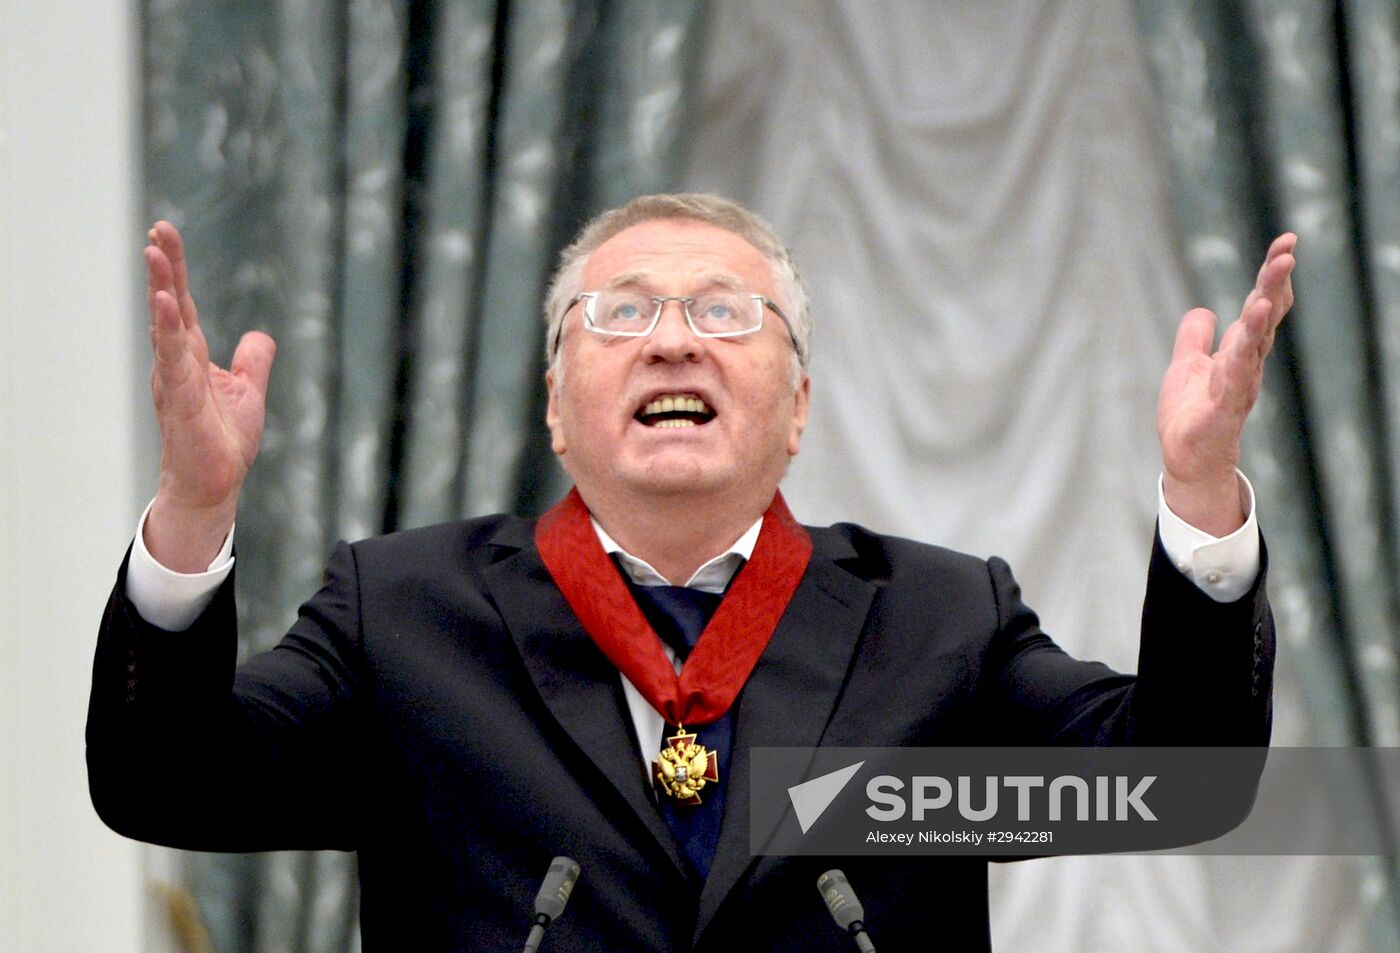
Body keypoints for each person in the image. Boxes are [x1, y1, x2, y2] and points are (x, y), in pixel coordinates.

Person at [88, 194, 1291, 951]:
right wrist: (197, 509)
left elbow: (1175, 786)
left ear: (798, 402)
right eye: (619, 312)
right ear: (556, 404)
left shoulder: (935, 620)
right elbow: (168, 786)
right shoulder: (402, 612)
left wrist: (1196, 497)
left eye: (724, 311)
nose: (671, 335)